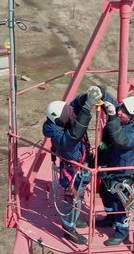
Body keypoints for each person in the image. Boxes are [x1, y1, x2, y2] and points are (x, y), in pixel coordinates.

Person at [43, 86, 104, 245]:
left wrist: (87, 97)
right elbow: (74, 135)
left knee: (79, 196)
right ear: (59, 119)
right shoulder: (60, 137)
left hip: (80, 168)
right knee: (72, 200)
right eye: (68, 112)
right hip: (73, 173)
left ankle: (74, 220)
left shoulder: (63, 121)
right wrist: (87, 107)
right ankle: (68, 229)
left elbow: (75, 105)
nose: (71, 113)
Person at [97, 96, 134, 246]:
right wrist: (100, 92)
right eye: (120, 108)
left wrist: (112, 118)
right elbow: (112, 104)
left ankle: (122, 233)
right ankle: (110, 218)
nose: (119, 112)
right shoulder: (123, 119)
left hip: (122, 173)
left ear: (133, 117)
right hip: (110, 167)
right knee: (105, 193)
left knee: (120, 203)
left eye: (124, 111)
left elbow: (121, 140)